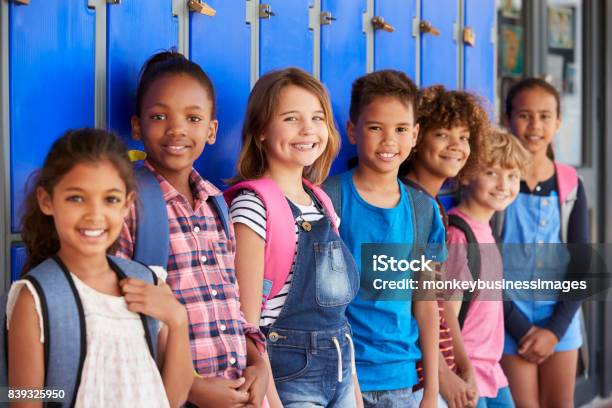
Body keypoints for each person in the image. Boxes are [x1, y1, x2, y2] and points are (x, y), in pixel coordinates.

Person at [115, 51, 268, 408]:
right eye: (159, 116)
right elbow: (122, 318)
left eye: (193, 117)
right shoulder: (127, 205)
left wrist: (258, 362)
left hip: (238, 393)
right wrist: (193, 388)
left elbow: (231, 305)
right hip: (172, 394)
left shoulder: (218, 203)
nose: (177, 129)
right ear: (137, 125)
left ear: (211, 130)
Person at [9, 129, 193, 407]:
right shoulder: (34, 298)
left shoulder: (150, 284)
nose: (95, 215)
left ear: (127, 204)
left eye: (110, 199)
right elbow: (24, 399)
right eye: (76, 198)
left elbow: (173, 398)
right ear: (47, 201)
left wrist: (177, 320)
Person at [225, 67, 360, 407]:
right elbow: (249, 324)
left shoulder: (322, 202)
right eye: (291, 119)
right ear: (260, 132)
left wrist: (355, 394)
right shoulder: (253, 206)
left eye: (317, 118)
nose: (308, 130)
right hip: (288, 372)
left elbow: (338, 316)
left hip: (340, 361)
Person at [324, 70, 445, 407]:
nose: (389, 141)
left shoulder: (423, 211)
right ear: (352, 130)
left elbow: (425, 303)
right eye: (375, 127)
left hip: (402, 382)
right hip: (339, 378)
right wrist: (351, 385)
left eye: (401, 129)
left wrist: (431, 391)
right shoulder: (329, 200)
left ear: (415, 134)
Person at [500, 77, 588, 407]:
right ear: (507, 119)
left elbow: (581, 262)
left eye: (545, 116)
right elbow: (483, 265)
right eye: (524, 115)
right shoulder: (496, 182)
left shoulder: (569, 181)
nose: (535, 125)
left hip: (561, 318)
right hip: (508, 318)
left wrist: (555, 329)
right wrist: (521, 328)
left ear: (558, 122)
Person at [400, 85, 490, 408]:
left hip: (441, 368)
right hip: (418, 378)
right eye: (442, 135)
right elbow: (411, 304)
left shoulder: (435, 207)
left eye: (464, 137)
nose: (456, 146)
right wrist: (443, 376)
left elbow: (441, 301)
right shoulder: (406, 203)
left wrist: (464, 366)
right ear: (416, 138)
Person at [446, 129, 530, 408]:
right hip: (466, 370)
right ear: (468, 174)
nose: (504, 185)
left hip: (491, 369)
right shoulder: (459, 235)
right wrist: (460, 369)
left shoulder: (486, 230)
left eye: (513, 176)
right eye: (492, 173)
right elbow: (446, 314)